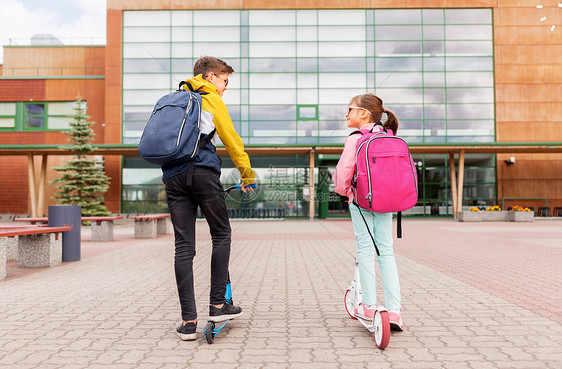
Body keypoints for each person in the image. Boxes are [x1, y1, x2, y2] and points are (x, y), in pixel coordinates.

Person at [164, 56, 256, 341]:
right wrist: (247, 175)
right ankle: (218, 305)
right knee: (221, 234)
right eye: (224, 81)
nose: (225, 88)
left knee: (183, 247)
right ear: (210, 76)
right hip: (203, 173)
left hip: (173, 177)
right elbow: (231, 140)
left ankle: (188, 322)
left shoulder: (175, 100)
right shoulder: (210, 99)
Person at [333, 93, 404, 331]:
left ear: (364, 113)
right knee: (386, 251)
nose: (347, 113)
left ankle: (369, 306)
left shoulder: (356, 138)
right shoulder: (389, 136)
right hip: (387, 201)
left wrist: (344, 193)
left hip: (362, 201)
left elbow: (344, 171)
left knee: (365, 249)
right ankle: (395, 311)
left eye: (350, 109)